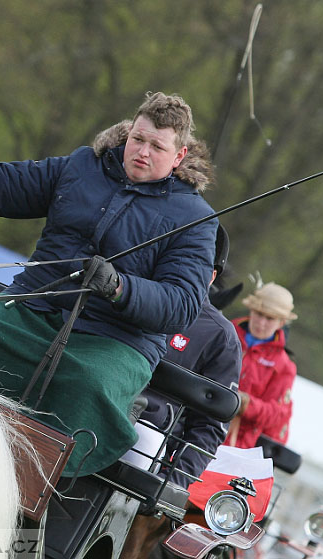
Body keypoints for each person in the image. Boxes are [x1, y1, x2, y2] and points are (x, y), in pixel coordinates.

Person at [0, 92, 218, 476]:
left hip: (114, 342)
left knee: (87, 385)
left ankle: (34, 494)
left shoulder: (197, 221)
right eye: (138, 138)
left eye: (157, 146)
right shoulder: (83, 166)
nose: (142, 151)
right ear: (129, 132)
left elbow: (182, 305)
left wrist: (120, 288)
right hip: (33, 307)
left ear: (180, 156)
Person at [121, 224, 242, 559]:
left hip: (147, 437)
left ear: (212, 274)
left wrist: (174, 481)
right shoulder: (130, 292)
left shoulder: (220, 337)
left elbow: (207, 428)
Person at [225, 281, 297, 449]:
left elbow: (276, 414)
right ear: (251, 310)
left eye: (270, 318)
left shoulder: (284, 366)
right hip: (197, 425)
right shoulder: (225, 333)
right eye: (259, 314)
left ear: (281, 322)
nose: (261, 323)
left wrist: (245, 403)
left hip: (238, 446)